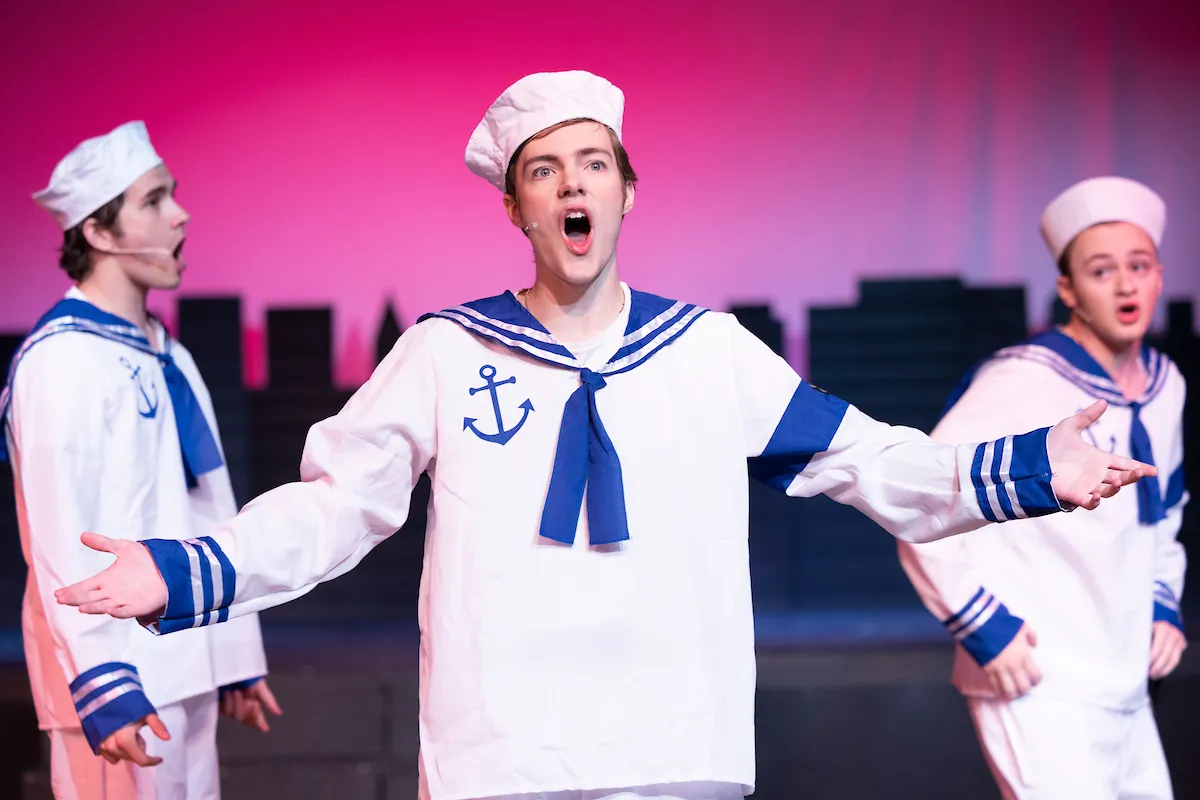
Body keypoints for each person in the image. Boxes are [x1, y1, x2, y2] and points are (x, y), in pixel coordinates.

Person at [55, 75, 1151, 800]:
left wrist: (1025, 470)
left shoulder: (708, 352)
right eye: (544, 168)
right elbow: (333, 509)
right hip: (505, 754)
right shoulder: (445, 351)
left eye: (592, 163)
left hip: (677, 744)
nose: (572, 183)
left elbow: (871, 461)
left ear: (627, 193)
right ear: (520, 211)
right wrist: (188, 569)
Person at [1, 121, 281, 799]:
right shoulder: (60, 360)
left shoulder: (168, 353)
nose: (180, 213)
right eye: (154, 201)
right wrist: (102, 679)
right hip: (115, 676)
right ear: (98, 232)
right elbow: (60, 535)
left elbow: (209, 506)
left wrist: (236, 653)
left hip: (186, 658)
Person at [898, 176, 1187, 799]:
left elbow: (1165, 513)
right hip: (1040, 676)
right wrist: (983, 628)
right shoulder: (1022, 378)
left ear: (1160, 275)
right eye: (1102, 270)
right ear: (1069, 290)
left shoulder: (1166, 384)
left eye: (1139, 266)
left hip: (1126, 678)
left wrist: (1164, 603)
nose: (1126, 283)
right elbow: (925, 498)